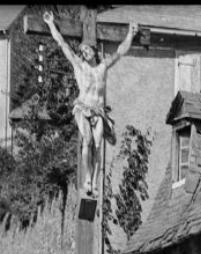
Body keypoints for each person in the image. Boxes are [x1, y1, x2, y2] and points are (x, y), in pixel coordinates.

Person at [43, 12, 138, 196]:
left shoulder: (103, 67)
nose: (84, 53)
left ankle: (94, 183)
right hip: (83, 108)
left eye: (87, 50)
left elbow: (120, 51)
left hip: (99, 111)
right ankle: (87, 178)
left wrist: (130, 34)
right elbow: (63, 45)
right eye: (83, 52)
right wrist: (51, 24)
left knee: (97, 145)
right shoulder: (80, 66)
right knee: (86, 140)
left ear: (94, 50)